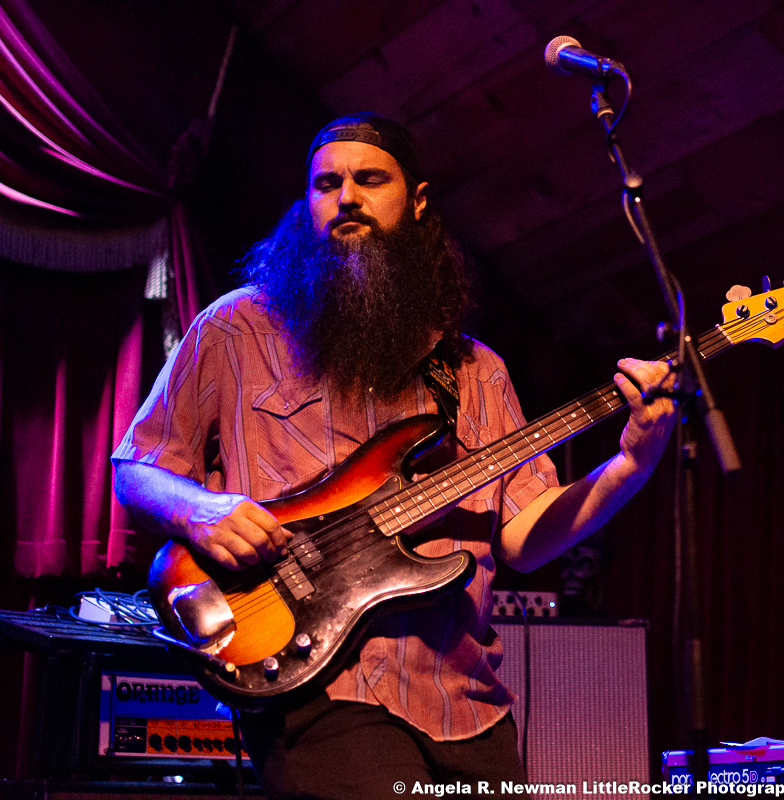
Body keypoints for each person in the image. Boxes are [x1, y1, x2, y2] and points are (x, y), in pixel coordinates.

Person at [111, 113, 677, 798]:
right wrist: (200, 510)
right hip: (318, 684)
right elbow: (137, 468)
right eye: (327, 184)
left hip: (467, 700)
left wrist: (631, 465)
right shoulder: (236, 330)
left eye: (370, 179)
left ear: (417, 201)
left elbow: (523, 537)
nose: (346, 197)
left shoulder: (475, 371)